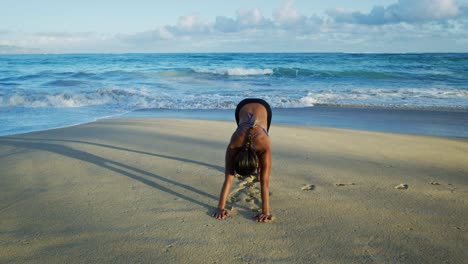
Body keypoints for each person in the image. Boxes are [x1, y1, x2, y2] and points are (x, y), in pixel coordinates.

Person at [212, 98, 273, 223]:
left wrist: (266, 212)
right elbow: (229, 177)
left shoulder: (264, 146)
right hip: (242, 108)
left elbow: (264, 182)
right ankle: (261, 167)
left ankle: (261, 168)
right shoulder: (234, 145)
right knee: (243, 126)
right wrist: (220, 207)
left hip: (263, 108)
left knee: (264, 171)